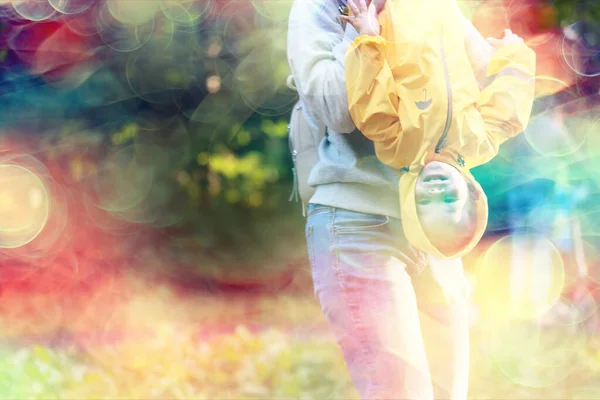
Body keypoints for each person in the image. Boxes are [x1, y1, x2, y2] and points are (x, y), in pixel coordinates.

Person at [286, 0, 500, 398]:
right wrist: (363, 28)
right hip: (358, 224)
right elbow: (336, 110)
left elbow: (486, 77)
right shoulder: (315, 9)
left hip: (434, 226)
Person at [341, 0, 536, 259]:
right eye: (448, 201)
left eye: (424, 202)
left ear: (410, 200)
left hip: (395, 17)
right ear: (470, 191)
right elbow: (510, 111)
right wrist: (513, 56)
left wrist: (368, 35)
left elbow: (370, 95)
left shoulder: (397, 147)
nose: (436, 192)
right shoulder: (479, 144)